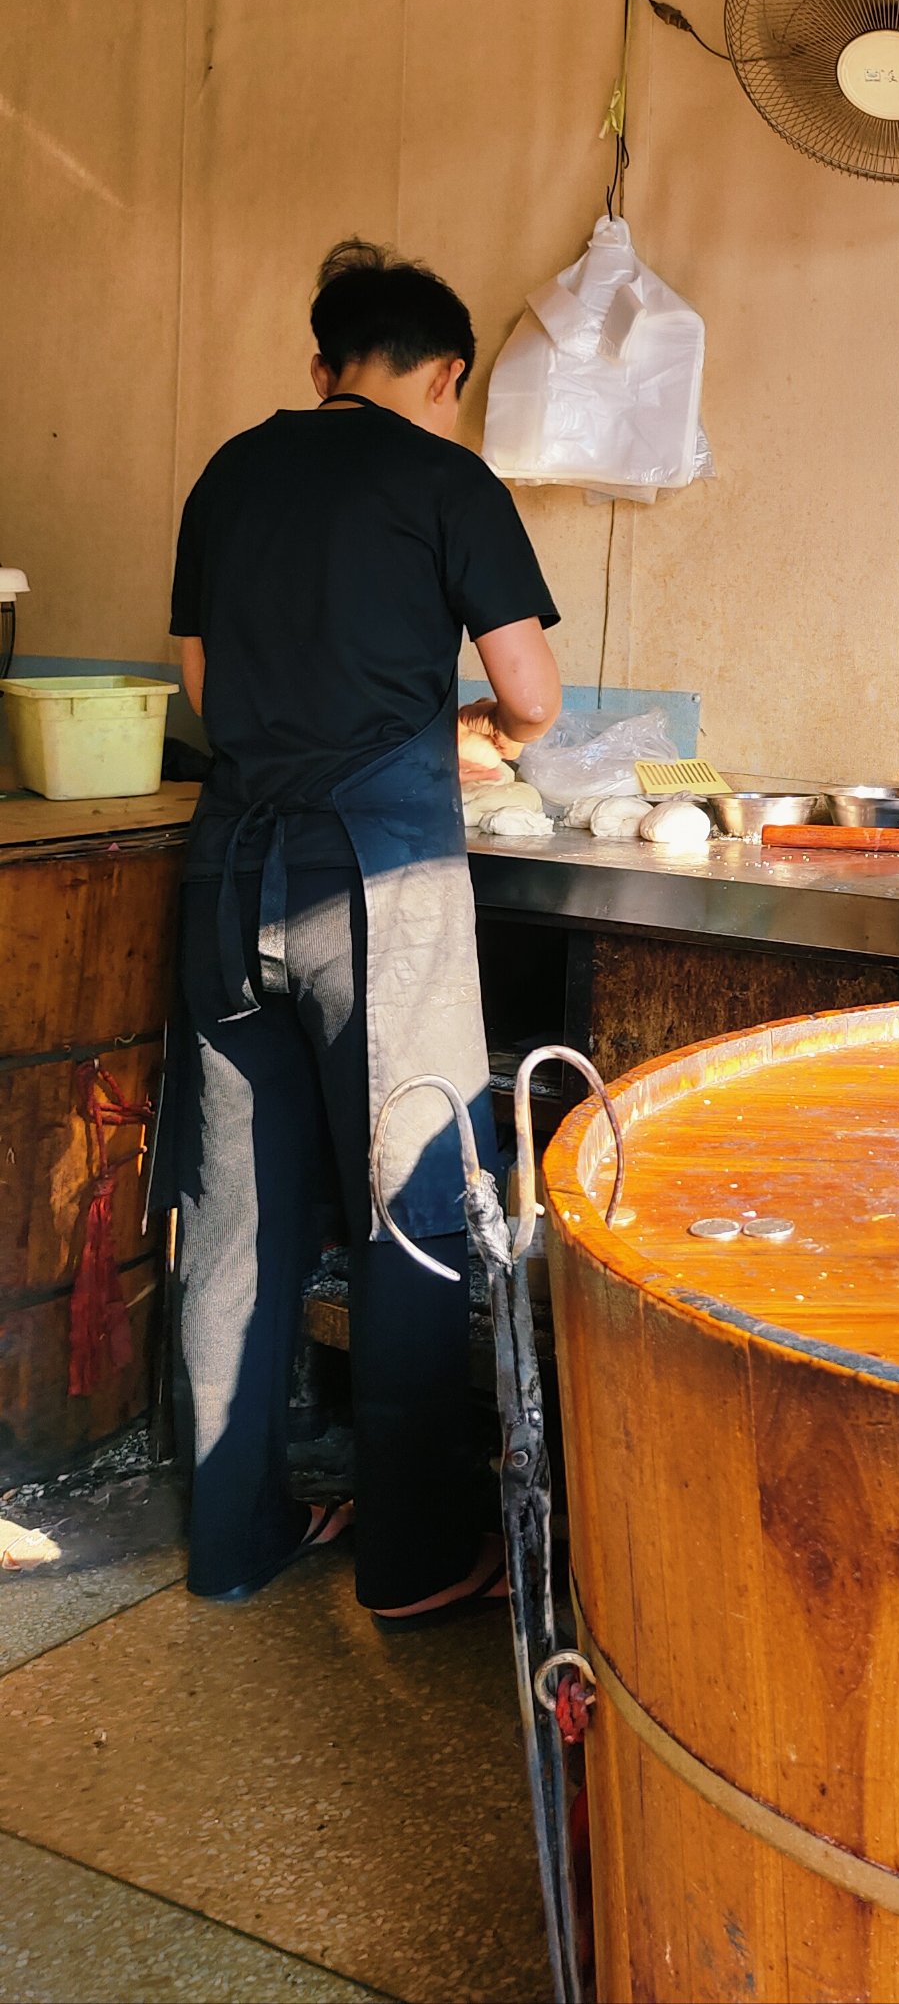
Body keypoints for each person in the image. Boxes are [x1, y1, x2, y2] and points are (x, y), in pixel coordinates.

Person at [162, 239, 561, 1621]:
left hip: (230, 872)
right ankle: (411, 1561)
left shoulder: (230, 470)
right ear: (445, 371)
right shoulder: (446, 476)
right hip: (378, 887)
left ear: (320, 361)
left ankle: (230, 1538)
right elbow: (533, 691)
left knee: (232, 1216)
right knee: (408, 1211)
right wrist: (465, 733)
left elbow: (206, 686)